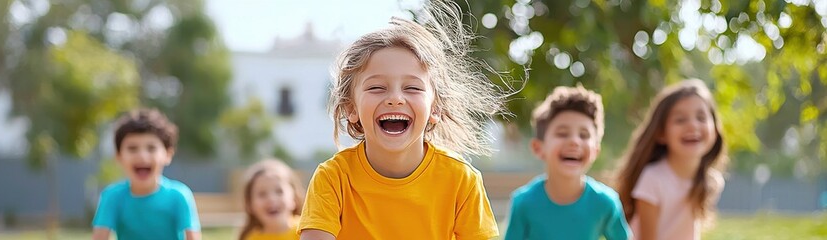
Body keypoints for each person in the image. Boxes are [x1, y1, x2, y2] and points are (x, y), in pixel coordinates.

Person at [297, 1, 509, 239]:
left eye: (412, 88)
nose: (395, 98)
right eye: (377, 87)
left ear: (435, 109)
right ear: (351, 108)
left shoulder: (462, 180)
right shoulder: (333, 178)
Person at [504, 85, 631, 240]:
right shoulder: (523, 203)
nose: (574, 141)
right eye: (562, 133)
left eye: (584, 135)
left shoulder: (606, 203)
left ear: (596, 151)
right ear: (538, 148)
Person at [616, 79, 727, 240]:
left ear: (715, 130)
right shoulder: (653, 179)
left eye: (701, 118)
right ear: (661, 133)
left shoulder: (711, 182)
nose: (692, 126)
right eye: (680, 120)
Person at [92, 108, 201, 240]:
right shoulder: (112, 196)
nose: (142, 156)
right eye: (132, 148)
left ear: (168, 154)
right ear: (119, 156)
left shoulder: (179, 196)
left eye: (151, 148)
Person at [239, 159, 304, 240]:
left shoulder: (306, 232)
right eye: (262, 194)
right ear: (249, 204)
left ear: (295, 198)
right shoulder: (251, 237)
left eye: (279, 191)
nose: (271, 199)